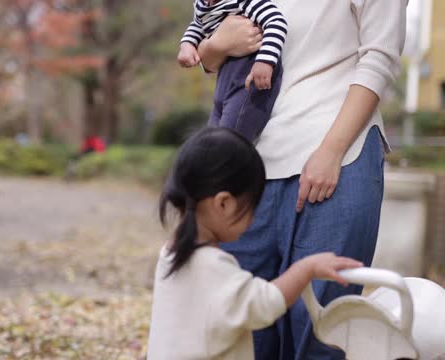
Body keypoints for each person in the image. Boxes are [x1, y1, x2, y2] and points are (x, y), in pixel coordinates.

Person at [195, 2, 408, 359]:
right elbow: (212, 46)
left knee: (320, 331)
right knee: (239, 328)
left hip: (335, 157)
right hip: (246, 162)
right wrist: (215, 46)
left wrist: (332, 150)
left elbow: (379, 57)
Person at [147, 127, 363, 360]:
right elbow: (264, 304)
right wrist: (306, 268)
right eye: (252, 209)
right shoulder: (213, 266)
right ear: (224, 204)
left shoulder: (170, 254)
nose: (252, 220)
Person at [177, 0, 287, 141]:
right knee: (209, 142)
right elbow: (198, 25)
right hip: (224, 80)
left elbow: (276, 21)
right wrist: (187, 44)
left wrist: (265, 61)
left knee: (227, 143)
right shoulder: (202, 4)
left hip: (250, 79)